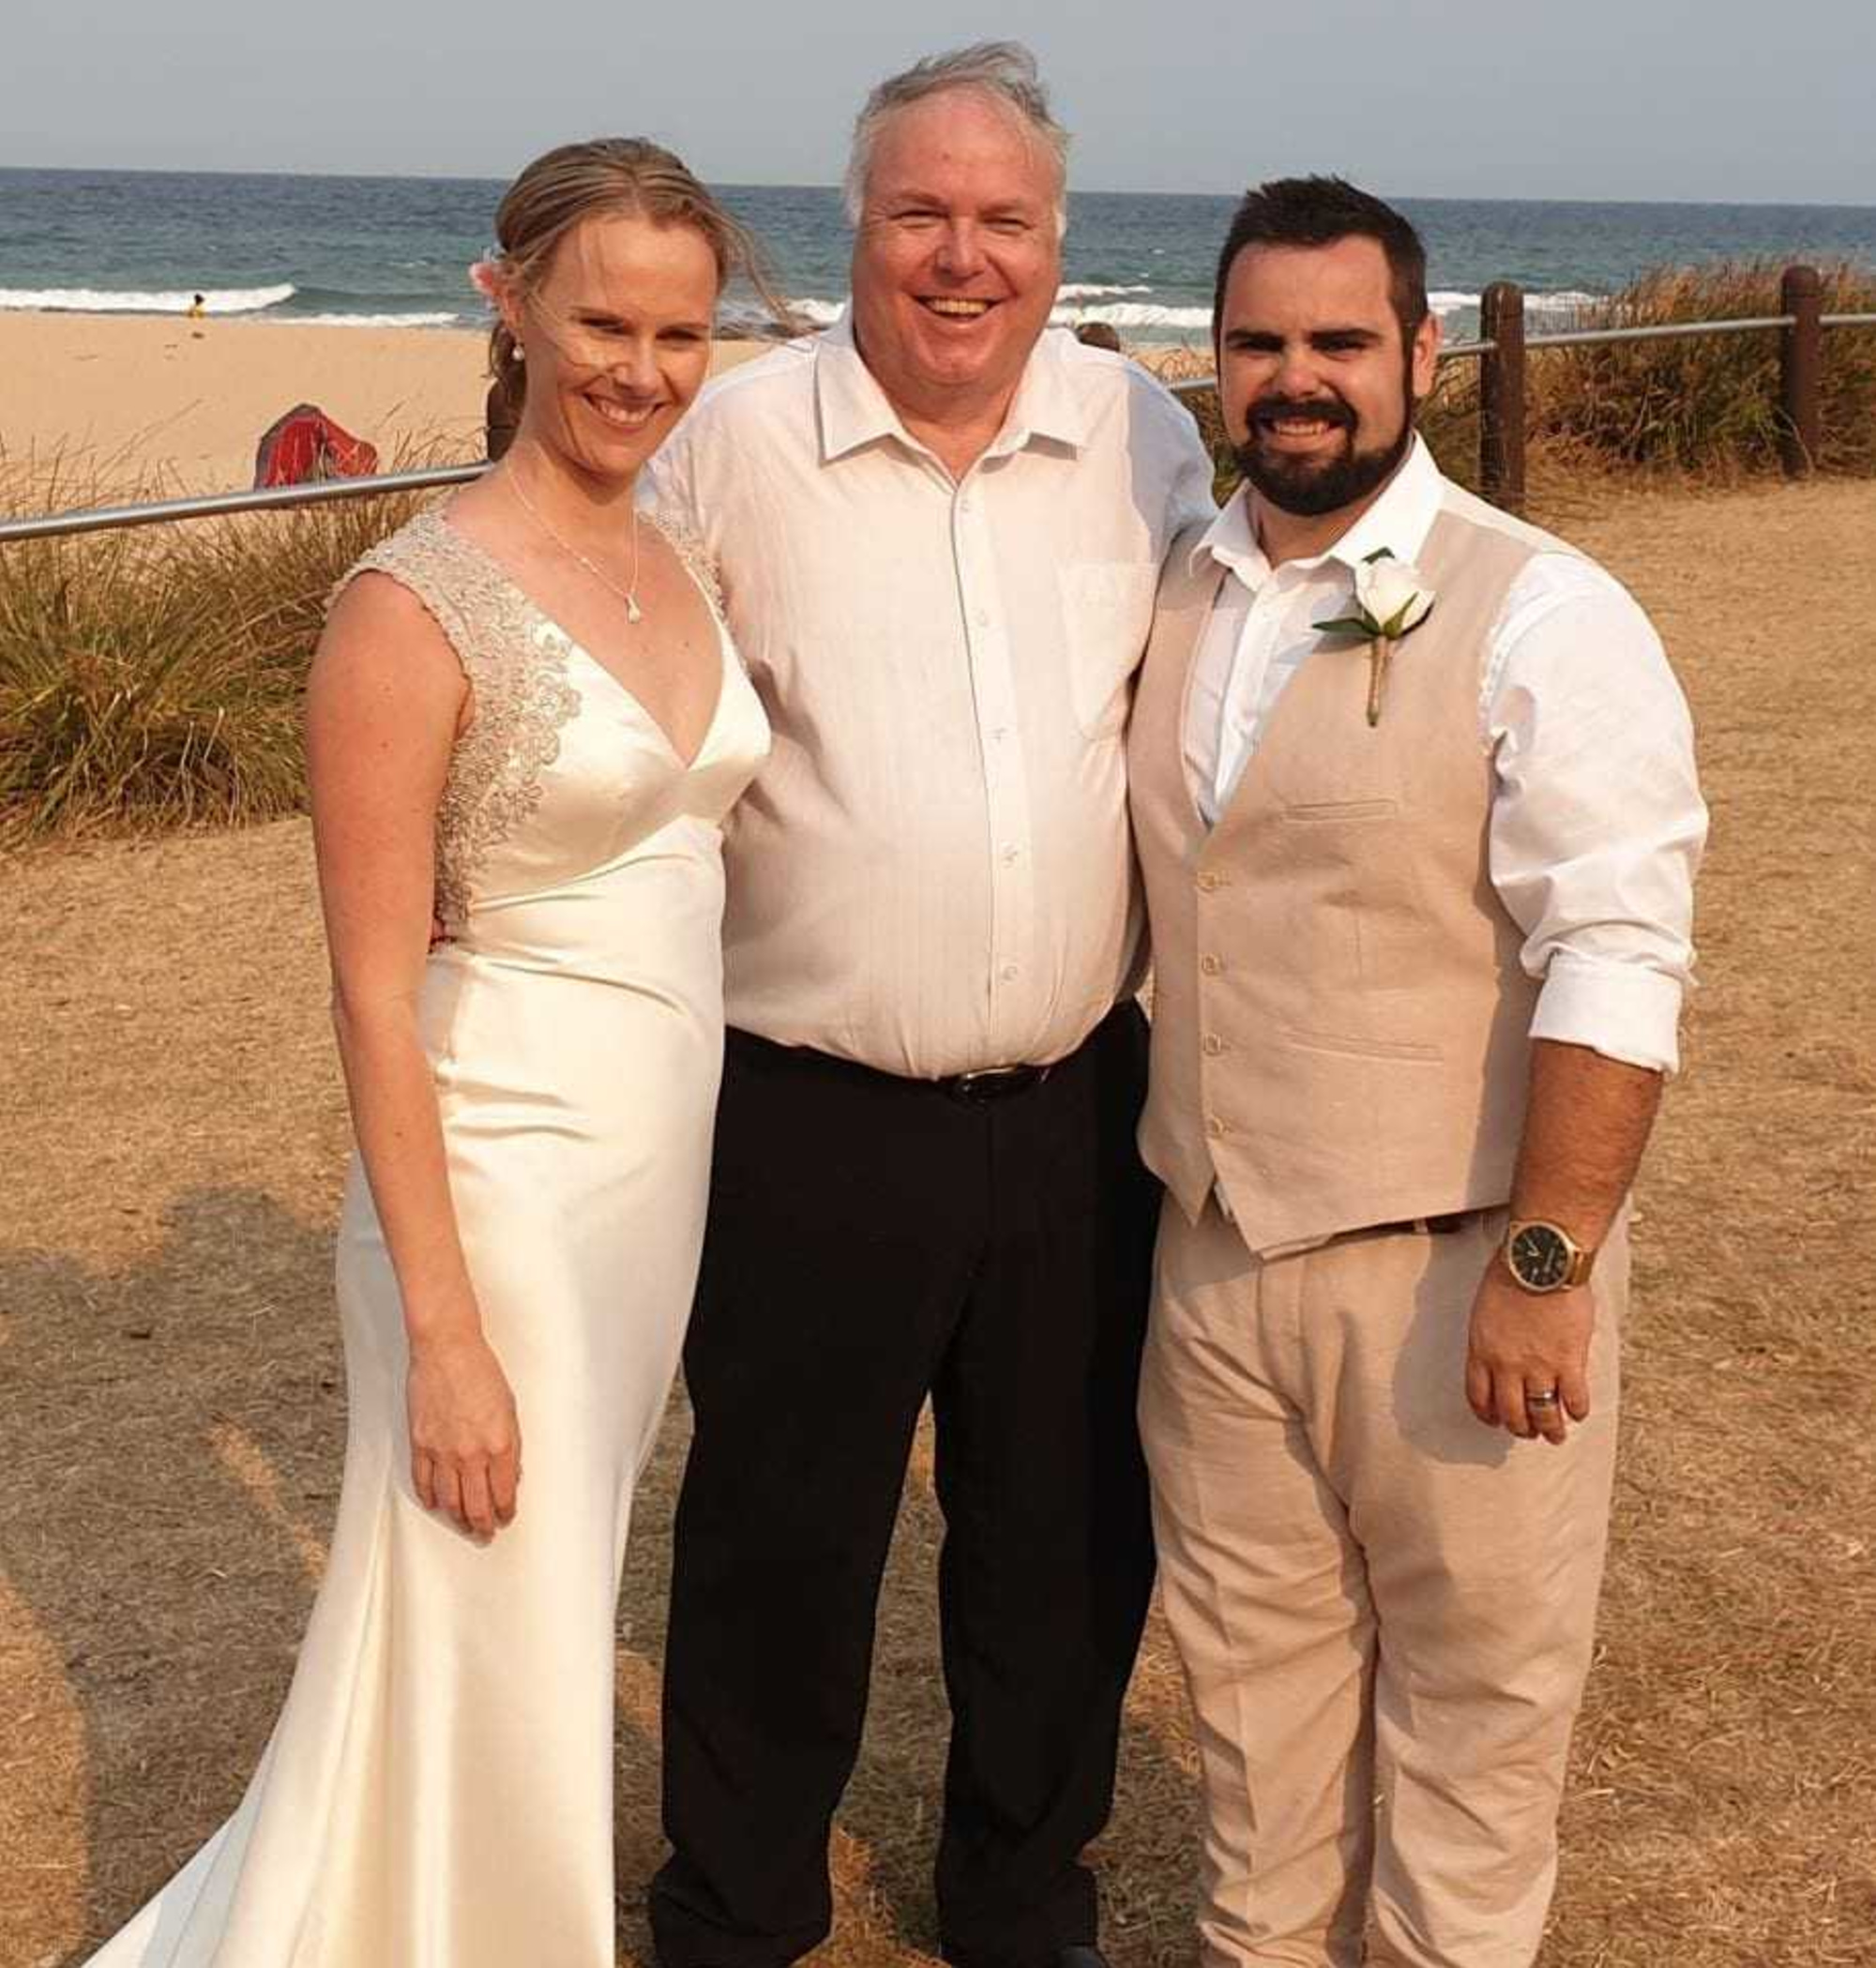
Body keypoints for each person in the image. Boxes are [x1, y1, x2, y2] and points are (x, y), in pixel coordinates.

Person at [79, 138, 772, 1968]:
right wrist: (448, 1333)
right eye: (603, 319)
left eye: (681, 331)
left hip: (647, 1192)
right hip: (502, 1196)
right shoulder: (409, 606)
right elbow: (373, 996)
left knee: (521, 1616)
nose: (640, 366)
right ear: (510, 303)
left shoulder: (680, 555)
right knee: (500, 1606)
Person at [641, 42, 1216, 1968]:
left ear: (1057, 243)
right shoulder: (729, 445)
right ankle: (732, 1912)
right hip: (806, 1107)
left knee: (1060, 1544)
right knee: (776, 1546)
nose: (959, 256)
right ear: (853, 226)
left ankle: (1017, 1894)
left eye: (1002, 220)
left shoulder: (1144, 436)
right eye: (919, 214)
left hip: (1080, 1103)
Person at [1127, 177, 1706, 1968]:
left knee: (1470, 1747)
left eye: (1340, 343)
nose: (1298, 379)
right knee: (1254, 1742)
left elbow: (1616, 949)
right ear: (1215, 361)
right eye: (1260, 342)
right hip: (1216, 1269)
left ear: (1423, 358)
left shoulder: (1547, 611)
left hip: (1461, 1269)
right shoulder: (1186, 590)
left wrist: (1548, 1266)